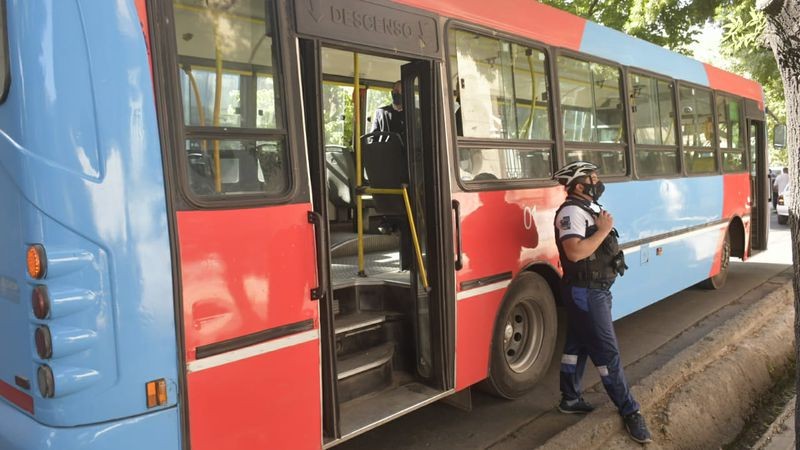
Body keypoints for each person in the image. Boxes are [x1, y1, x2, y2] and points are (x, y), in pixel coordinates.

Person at [552, 161, 652, 444]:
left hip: (594, 291)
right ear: (579, 186)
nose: (598, 181)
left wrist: (602, 228)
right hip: (585, 292)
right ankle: (630, 410)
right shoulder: (571, 212)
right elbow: (574, 252)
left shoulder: (588, 209)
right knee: (607, 354)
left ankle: (570, 398)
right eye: (592, 178)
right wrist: (603, 230)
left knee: (577, 345)